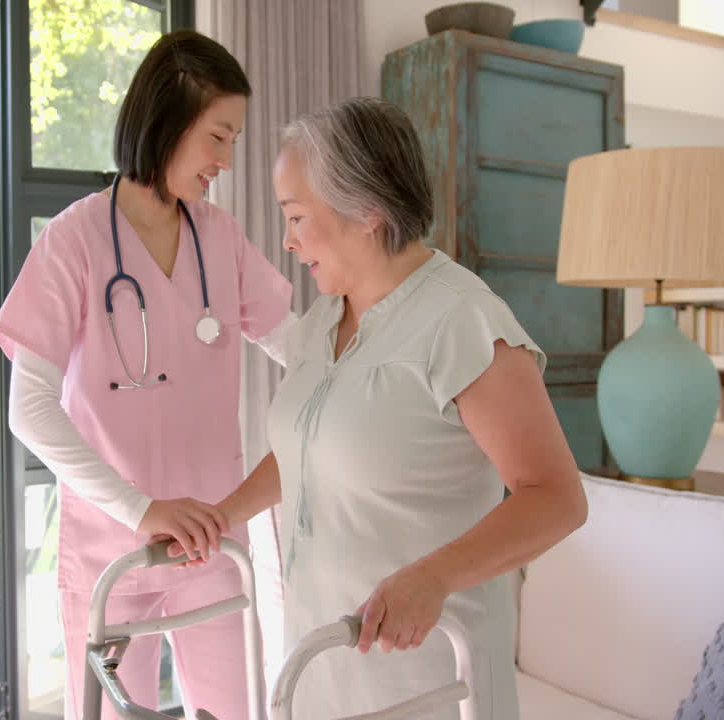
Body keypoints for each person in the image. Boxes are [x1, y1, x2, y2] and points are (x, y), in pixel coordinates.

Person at [204, 97, 588, 720]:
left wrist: (432, 577)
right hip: (322, 663)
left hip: (431, 679)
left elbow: (556, 498)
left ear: (367, 213)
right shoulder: (324, 318)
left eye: (297, 216)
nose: (288, 239)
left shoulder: (462, 322)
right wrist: (223, 515)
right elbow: (310, 451)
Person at [0, 30, 293, 720]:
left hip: (214, 543)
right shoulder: (72, 241)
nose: (225, 159)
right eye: (218, 136)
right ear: (166, 120)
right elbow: (29, 408)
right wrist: (140, 509)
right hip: (110, 548)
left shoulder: (221, 238)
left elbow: (298, 351)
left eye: (233, 141)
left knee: (234, 711)